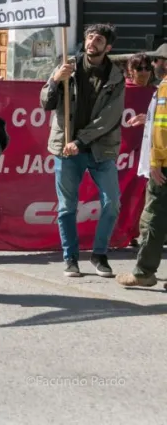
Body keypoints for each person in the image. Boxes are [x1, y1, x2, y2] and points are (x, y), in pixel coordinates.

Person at [41, 23, 125, 279]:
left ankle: (99, 255)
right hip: (65, 148)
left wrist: (80, 141)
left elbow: (109, 118)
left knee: (112, 203)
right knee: (67, 207)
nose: (92, 42)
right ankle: (71, 258)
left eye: (99, 39)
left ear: (107, 47)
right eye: (90, 37)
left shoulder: (115, 77)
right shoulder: (68, 66)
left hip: (100, 149)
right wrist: (56, 80)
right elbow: (46, 102)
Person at [116, 71, 167, 288]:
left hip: (164, 164)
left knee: (153, 217)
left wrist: (156, 159)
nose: (155, 65)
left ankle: (144, 272)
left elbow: (163, 127)